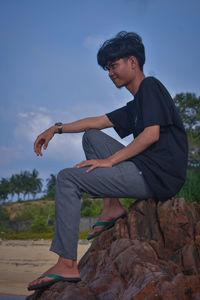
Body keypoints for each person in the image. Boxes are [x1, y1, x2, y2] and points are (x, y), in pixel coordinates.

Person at [28, 31, 188, 291]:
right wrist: (55, 128)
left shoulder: (151, 87)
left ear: (132, 62)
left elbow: (151, 135)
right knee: (92, 137)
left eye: (114, 65)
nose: (110, 73)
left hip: (156, 176)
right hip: (146, 168)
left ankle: (67, 263)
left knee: (68, 178)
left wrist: (110, 161)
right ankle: (111, 208)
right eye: (107, 68)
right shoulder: (137, 103)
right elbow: (96, 122)